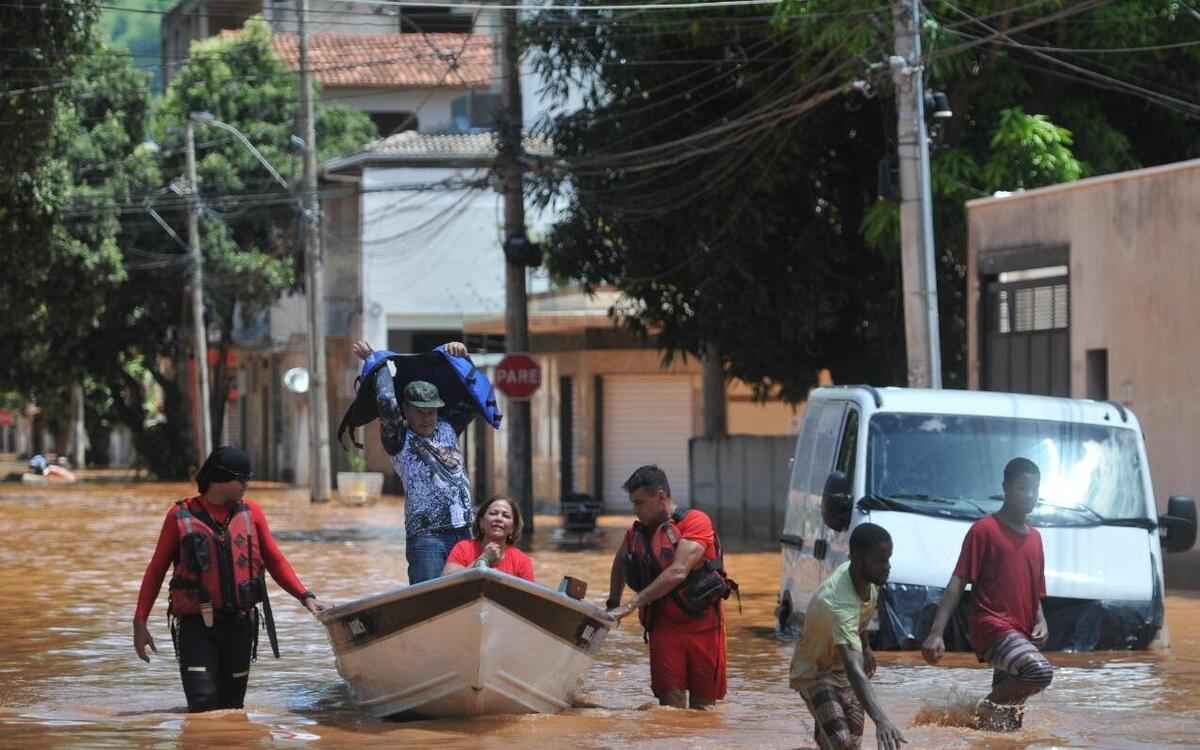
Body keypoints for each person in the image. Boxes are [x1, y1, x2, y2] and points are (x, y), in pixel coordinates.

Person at [132, 446, 327, 712]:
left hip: (239, 625)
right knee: (201, 706)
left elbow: (275, 560)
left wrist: (306, 597)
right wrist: (140, 621)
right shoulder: (179, 517)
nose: (247, 484)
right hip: (196, 627)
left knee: (232, 708)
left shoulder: (252, 513)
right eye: (242, 479)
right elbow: (155, 570)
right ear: (221, 480)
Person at [921, 457, 1053, 731]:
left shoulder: (1036, 539)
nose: (1029, 496)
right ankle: (978, 708)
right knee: (1039, 672)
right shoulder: (984, 530)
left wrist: (1041, 621)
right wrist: (936, 632)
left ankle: (974, 726)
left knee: (1006, 727)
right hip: (992, 628)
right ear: (1005, 488)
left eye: (1035, 489)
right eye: (1022, 488)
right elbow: (957, 582)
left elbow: (1034, 590)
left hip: (1021, 631)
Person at [606, 465, 733, 709]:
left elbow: (678, 571)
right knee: (670, 710)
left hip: (703, 628)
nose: (635, 510)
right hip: (663, 628)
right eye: (633, 503)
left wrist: (629, 605)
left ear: (661, 496)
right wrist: (613, 602)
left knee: (703, 709)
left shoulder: (696, 522)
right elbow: (621, 562)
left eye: (640, 502)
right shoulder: (636, 533)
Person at [352, 339, 476, 584]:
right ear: (406, 411)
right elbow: (387, 402)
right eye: (419, 410)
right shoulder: (398, 440)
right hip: (426, 538)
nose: (426, 417)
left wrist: (463, 357)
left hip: (464, 532)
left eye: (431, 410)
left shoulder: (449, 427)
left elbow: (473, 395)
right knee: (429, 599)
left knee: (465, 595)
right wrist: (376, 362)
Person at [789, 523, 906, 750]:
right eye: (880, 561)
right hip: (815, 672)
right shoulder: (838, 601)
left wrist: (867, 648)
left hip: (842, 666)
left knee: (853, 741)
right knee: (842, 743)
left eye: (888, 559)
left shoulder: (868, 579)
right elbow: (853, 666)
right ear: (857, 559)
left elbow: (859, 615)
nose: (887, 567)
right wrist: (881, 720)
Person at [442, 496, 535, 581]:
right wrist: (483, 559)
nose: (499, 518)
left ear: (513, 528)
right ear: (481, 522)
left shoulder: (522, 561)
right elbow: (446, 580)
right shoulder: (463, 548)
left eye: (506, 516)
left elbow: (529, 595)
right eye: (493, 513)